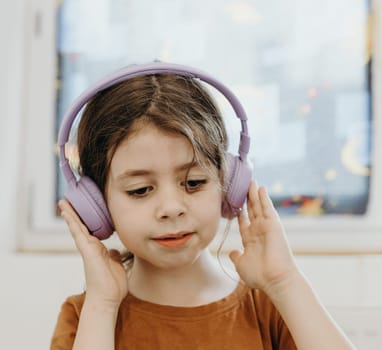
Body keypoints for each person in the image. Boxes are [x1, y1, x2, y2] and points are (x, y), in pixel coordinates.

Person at [50, 67, 355, 350]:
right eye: (140, 190)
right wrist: (102, 306)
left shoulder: (270, 309)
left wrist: (285, 282)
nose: (171, 209)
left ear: (227, 183)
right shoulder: (86, 317)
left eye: (194, 183)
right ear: (98, 205)